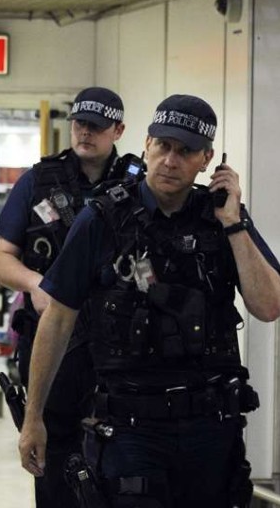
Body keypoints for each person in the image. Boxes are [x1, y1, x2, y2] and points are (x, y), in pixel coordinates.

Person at [19, 94, 280, 507]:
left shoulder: (224, 221)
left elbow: (268, 306)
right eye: (163, 146)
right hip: (131, 429)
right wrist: (34, 417)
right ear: (146, 144)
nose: (170, 161)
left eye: (186, 151)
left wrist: (233, 223)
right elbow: (58, 319)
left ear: (208, 159)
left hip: (211, 429)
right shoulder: (102, 219)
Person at [0, 86, 127, 507]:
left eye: (97, 127)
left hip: (118, 345)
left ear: (117, 131)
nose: (86, 133)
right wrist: (36, 285)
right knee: (56, 463)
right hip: (53, 345)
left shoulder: (135, 184)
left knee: (121, 463)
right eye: (80, 124)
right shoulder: (37, 181)